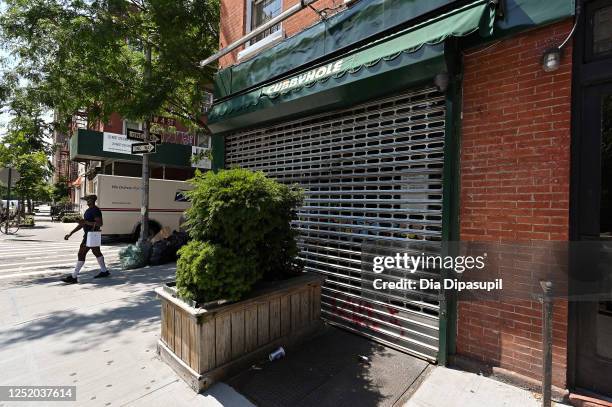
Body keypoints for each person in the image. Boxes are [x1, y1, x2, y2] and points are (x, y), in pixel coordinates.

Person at [61, 195, 109, 283]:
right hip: (90, 235)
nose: (87, 201)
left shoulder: (95, 210)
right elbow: (82, 224)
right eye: (86, 199)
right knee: (96, 252)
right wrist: (70, 233)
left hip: (90, 235)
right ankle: (104, 271)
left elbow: (100, 223)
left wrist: (85, 222)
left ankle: (74, 277)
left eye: (88, 199)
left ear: (93, 200)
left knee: (81, 254)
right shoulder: (88, 211)